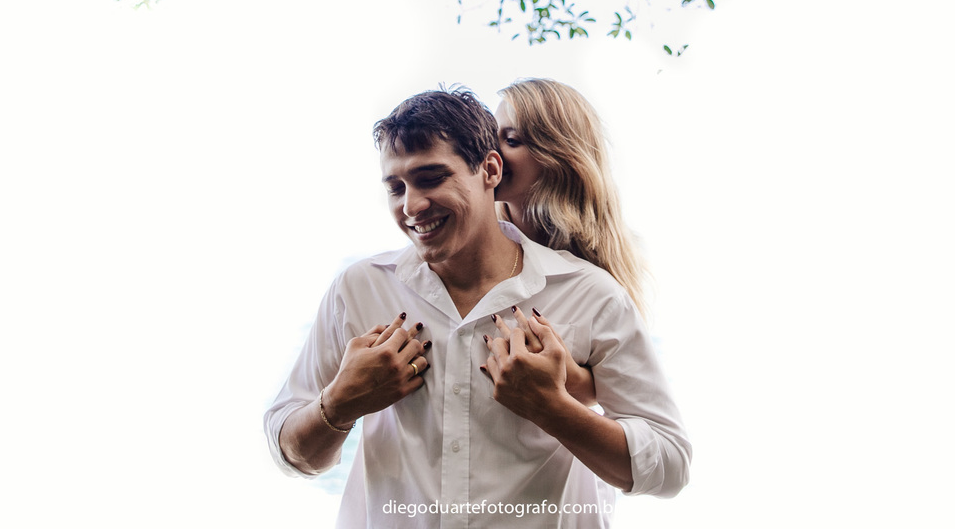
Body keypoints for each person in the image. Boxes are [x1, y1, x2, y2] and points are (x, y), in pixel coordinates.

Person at [264, 87, 689, 528]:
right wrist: (340, 403)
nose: (411, 206)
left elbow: (670, 465)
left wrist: (552, 407)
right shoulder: (359, 290)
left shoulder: (590, 293)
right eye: (396, 187)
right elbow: (289, 453)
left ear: (490, 169)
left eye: (431, 178)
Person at [490, 77, 649, 404]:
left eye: (511, 139)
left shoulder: (601, 280)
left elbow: (624, 391)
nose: (493, 152)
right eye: (492, 138)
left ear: (556, 153)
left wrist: (568, 375)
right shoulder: (476, 244)